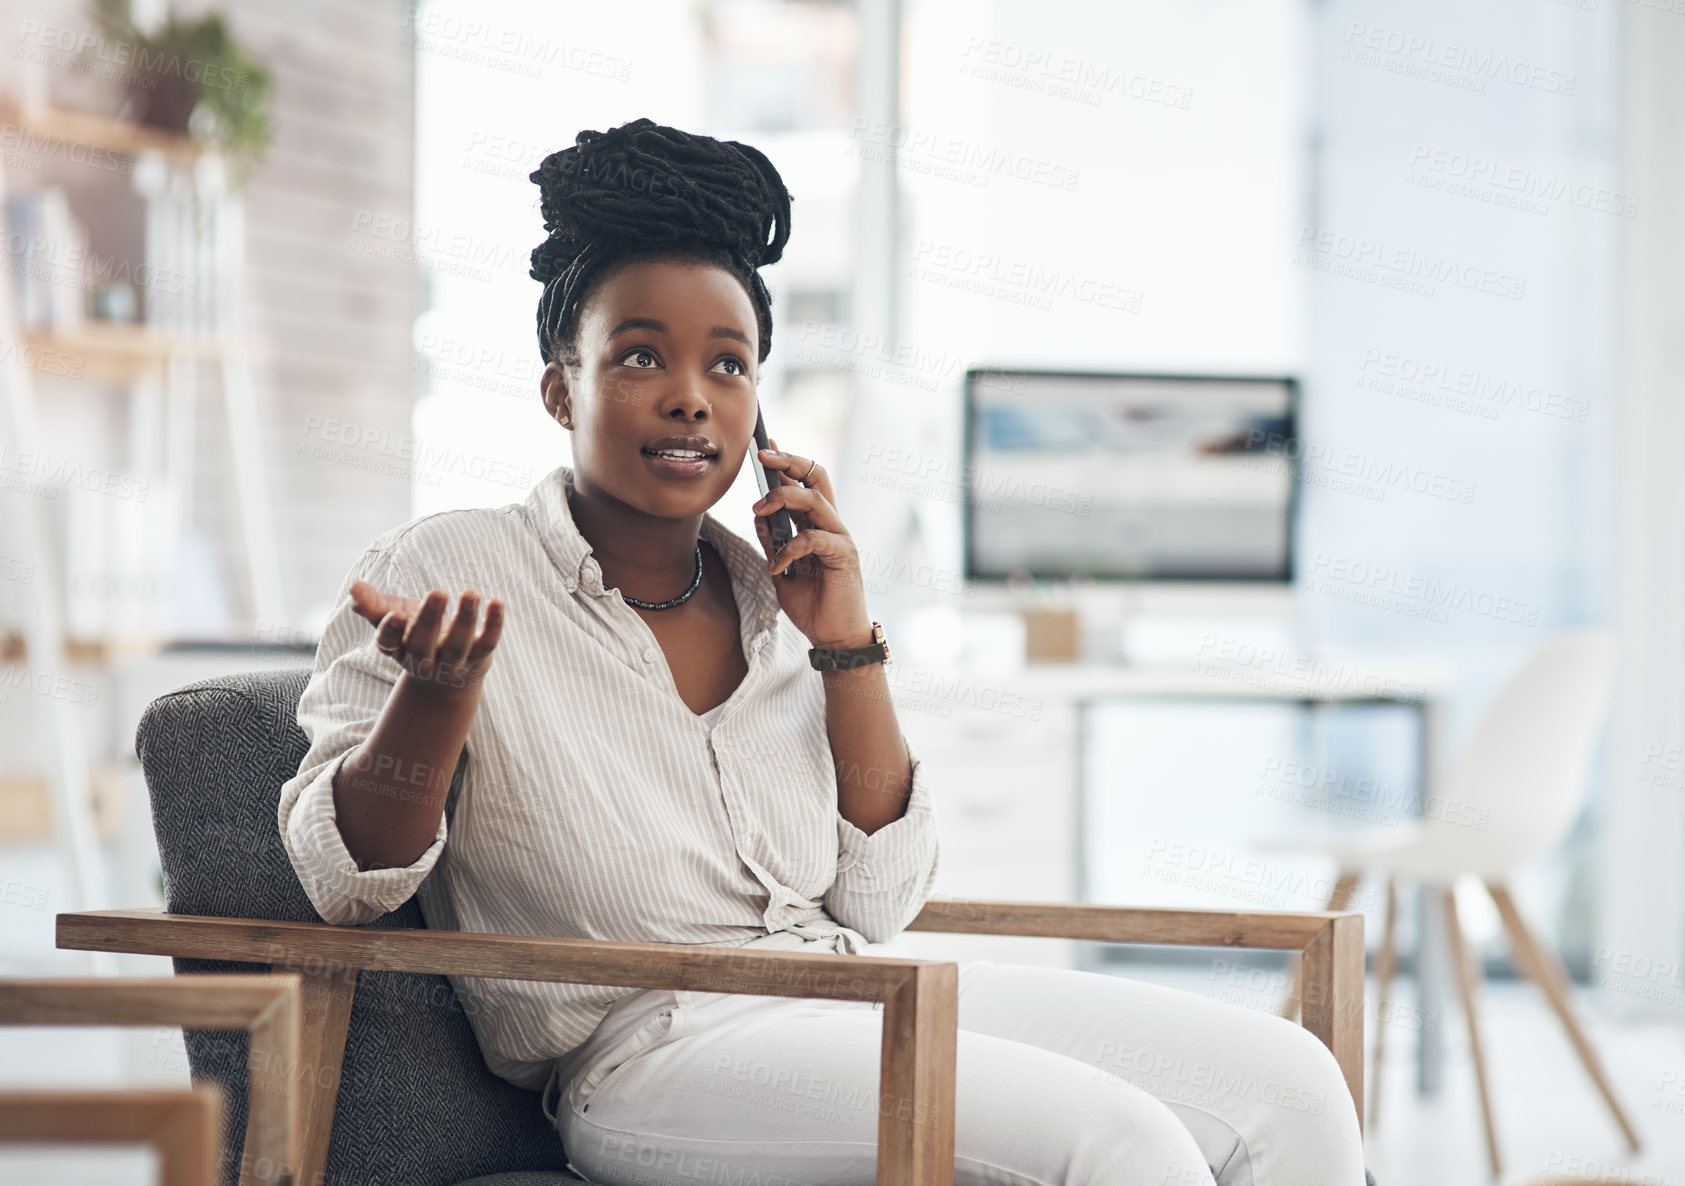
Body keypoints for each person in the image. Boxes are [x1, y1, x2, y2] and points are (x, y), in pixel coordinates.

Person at [278, 117, 1369, 1186]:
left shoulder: (775, 592)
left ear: (756, 409)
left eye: (729, 363)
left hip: (851, 988)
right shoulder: (446, 568)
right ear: (561, 386)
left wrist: (847, 645)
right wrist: (432, 702)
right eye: (640, 355)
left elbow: (878, 899)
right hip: (652, 1053)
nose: (690, 394)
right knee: (1120, 1144)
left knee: (1289, 1083)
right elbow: (345, 884)